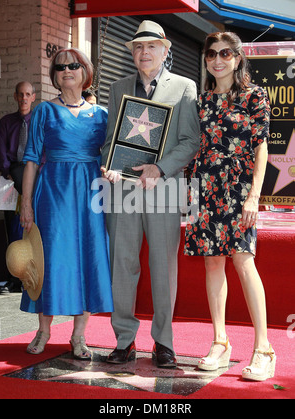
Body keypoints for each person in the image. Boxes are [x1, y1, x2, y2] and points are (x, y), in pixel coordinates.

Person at [101, 20, 200, 368]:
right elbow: (111, 139)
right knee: (122, 265)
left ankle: (164, 342)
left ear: (165, 49)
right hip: (123, 189)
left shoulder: (185, 87)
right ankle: (124, 340)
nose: (145, 53)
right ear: (132, 52)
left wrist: (161, 168)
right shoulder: (117, 87)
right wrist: (109, 164)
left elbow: (191, 141)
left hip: (165, 188)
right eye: (138, 47)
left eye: (151, 46)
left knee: (163, 267)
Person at [184, 32, 275, 381]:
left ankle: (264, 348)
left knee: (243, 260)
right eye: (211, 54)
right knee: (212, 264)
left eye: (225, 53)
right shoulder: (201, 101)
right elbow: (190, 145)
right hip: (203, 188)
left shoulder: (254, 96)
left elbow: (260, 149)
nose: (217, 60)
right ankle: (220, 342)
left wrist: (255, 195)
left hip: (238, 189)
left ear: (237, 59)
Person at [20, 48, 114, 359]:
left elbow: (115, 156)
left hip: (90, 194)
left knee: (88, 257)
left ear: (85, 72)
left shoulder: (102, 115)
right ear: (55, 77)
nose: (66, 70)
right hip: (53, 194)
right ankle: (44, 330)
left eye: (73, 65)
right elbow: (32, 160)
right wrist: (26, 204)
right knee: (49, 260)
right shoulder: (44, 111)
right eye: (60, 67)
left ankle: (79, 337)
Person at [0, 81, 36, 292]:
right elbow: (1, 153)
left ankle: (31, 273)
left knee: (31, 225)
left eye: (27, 94)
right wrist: (9, 172)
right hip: (11, 176)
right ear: (15, 96)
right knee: (12, 226)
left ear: (33, 97)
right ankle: (14, 278)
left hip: (33, 173)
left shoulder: (39, 122)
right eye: (20, 94)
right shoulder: (6, 122)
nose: (23, 98)